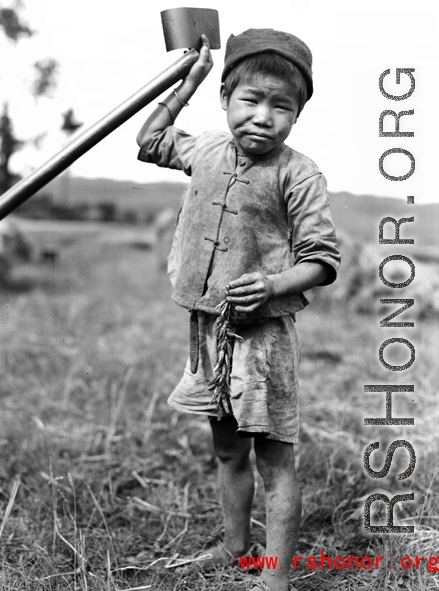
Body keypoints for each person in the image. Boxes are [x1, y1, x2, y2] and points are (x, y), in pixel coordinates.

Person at [136, 28, 340, 591]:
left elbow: (323, 259)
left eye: (283, 106)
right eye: (251, 100)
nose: (264, 117)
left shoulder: (299, 174)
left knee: (275, 462)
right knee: (228, 451)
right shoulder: (202, 147)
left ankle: (274, 582)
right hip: (207, 330)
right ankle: (234, 548)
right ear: (225, 97)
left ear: (297, 115)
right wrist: (186, 83)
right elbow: (149, 139)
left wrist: (274, 283)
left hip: (264, 339)